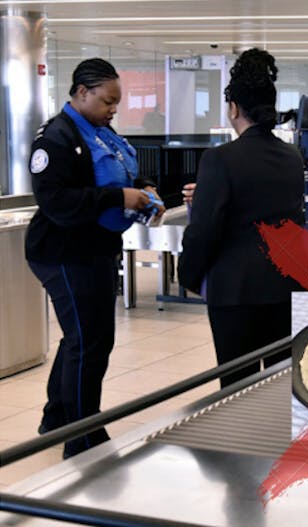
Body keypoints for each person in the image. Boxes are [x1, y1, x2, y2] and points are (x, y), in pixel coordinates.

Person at [25, 58, 164, 458]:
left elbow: (117, 175)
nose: (113, 110)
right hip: (64, 253)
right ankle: (82, 437)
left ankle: (57, 418)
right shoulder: (56, 138)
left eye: (116, 103)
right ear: (82, 92)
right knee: (91, 342)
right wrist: (117, 198)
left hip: (96, 249)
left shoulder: (100, 132)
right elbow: (55, 201)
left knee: (82, 339)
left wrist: (143, 189)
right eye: (107, 101)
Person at [178, 48, 304, 388]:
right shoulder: (293, 157)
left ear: (233, 108)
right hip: (285, 286)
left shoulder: (219, 159)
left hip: (235, 293)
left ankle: (240, 442)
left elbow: (204, 229)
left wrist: (188, 275)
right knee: (280, 381)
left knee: (237, 385)